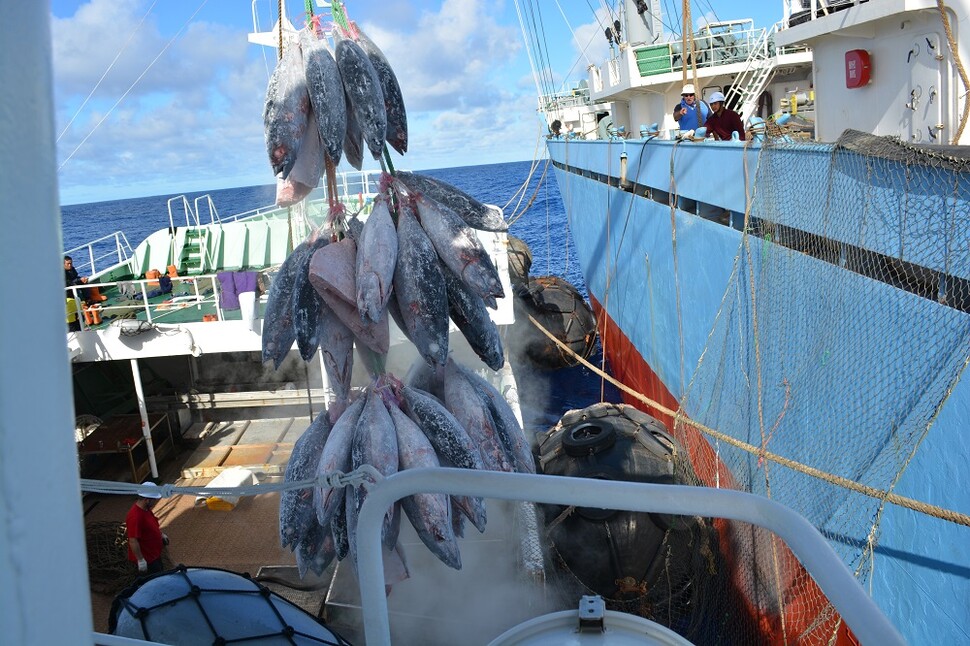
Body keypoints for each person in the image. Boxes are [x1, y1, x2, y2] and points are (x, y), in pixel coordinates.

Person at [126, 482, 169, 575]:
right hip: (148, 560)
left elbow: (152, 524)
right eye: (154, 500)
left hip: (153, 554)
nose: (155, 502)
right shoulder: (135, 516)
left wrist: (161, 535)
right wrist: (141, 560)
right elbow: (133, 540)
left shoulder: (146, 509)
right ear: (147, 500)